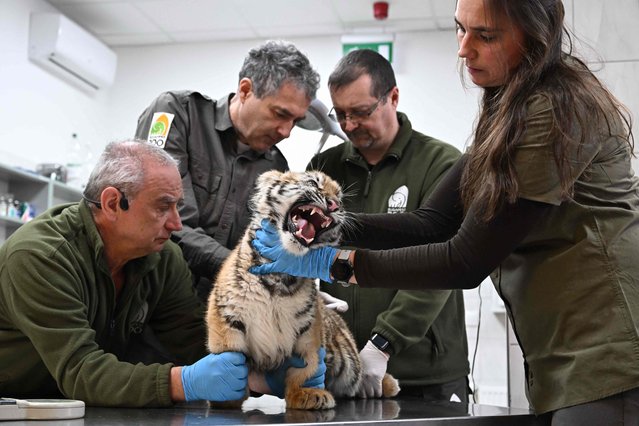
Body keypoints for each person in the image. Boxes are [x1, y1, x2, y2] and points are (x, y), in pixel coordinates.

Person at [251, 0, 639, 423]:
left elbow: (464, 261)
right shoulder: (508, 110)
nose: (463, 49)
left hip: (609, 352)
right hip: (568, 356)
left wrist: (335, 264)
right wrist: (328, 228)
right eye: (460, 29)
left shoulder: (552, 108)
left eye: (485, 36)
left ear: (535, 37)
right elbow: (431, 222)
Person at [0, 140, 324, 407]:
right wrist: (180, 383)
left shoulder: (161, 256)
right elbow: (81, 370)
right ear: (113, 203)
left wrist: (259, 371)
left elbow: (190, 339)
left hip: (80, 406)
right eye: (162, 206)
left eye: (177, 206)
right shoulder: (40, 257)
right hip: (17, 405)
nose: (176, 224)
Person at [307, 49, 470, 402]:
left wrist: (384, 342)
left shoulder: (441, 164)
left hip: (426, 373)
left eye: (361, 112)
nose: (349, 125)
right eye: (340, 114)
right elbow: (303, 247)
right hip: (343, 371)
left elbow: (442, 263)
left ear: (392, 97)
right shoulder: (323, 168)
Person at [135, 40, 320, 301]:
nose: (286, 132)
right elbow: (166, 222)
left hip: (213, 316)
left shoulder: (276, 168)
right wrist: (244, 271)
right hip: (147, 302)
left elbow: (263, 249)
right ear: (245, 90)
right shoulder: (178, 115)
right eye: (280, 114)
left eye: (296, 121)